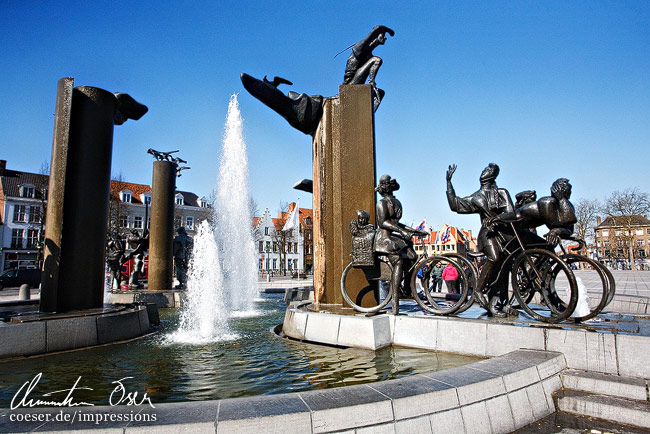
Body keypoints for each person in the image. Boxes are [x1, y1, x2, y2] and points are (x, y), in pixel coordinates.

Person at [446, 163, 515, 317]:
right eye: (484, 169)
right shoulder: (476, 196)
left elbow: (512, 213)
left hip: (504, 235)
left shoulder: (502, 192)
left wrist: (497, 218)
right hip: (487, 234)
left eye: (488, 170)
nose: (484, 171)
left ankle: (500, 303)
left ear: (494, 175)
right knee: (494, 258)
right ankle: (477, 290)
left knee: (504, 268)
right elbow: (456, 205)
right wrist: (449, 183)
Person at [374, 174, 427, 315]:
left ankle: (408, 289)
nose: (387, 187)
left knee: (413, 256)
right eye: (386, 185)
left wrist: (415, 231)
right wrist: (401, 232)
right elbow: (382, 223)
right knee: (397, 261)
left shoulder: (396, 202)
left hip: (394, 236)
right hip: (384, 238)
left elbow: (398, 223)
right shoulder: (381, 203)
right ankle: (395, 302)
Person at [343, 25, 395, 110]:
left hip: (358, 85)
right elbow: (369, 38)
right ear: (375, 34)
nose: (385, 38)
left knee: (381, 93)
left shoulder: (369, 55)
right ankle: (371, 83)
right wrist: (376, 30)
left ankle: (369, 115)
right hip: (349, 86)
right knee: (377, 60)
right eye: (383, 34)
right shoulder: (359, 49)